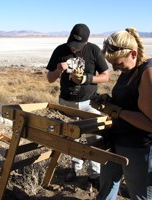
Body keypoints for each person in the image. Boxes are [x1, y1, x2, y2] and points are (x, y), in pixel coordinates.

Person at [92, 27, 152, 200]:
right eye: (112, 64)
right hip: (121, 140)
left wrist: (117, 111)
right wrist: (109, 102)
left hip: (144, 148)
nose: (115, 68)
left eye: (118, 63)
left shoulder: (151, 74)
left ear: (133, 53)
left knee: (141, 196)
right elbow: (132, 102)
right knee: (107, 182)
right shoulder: (131, 69)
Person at [46, 23, 110, 188]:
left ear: (86, 42)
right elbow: (49, 78)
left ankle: (94, 174)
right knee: (71, 138)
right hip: (67, 104)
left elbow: (106, 76)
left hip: (89, 104)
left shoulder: (94, 50)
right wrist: (58, 71)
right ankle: (74, 168)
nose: (74, 49)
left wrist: (87, 79)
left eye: (78, 46)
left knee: (95, 139)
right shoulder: (60, 50)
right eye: (72, 45)